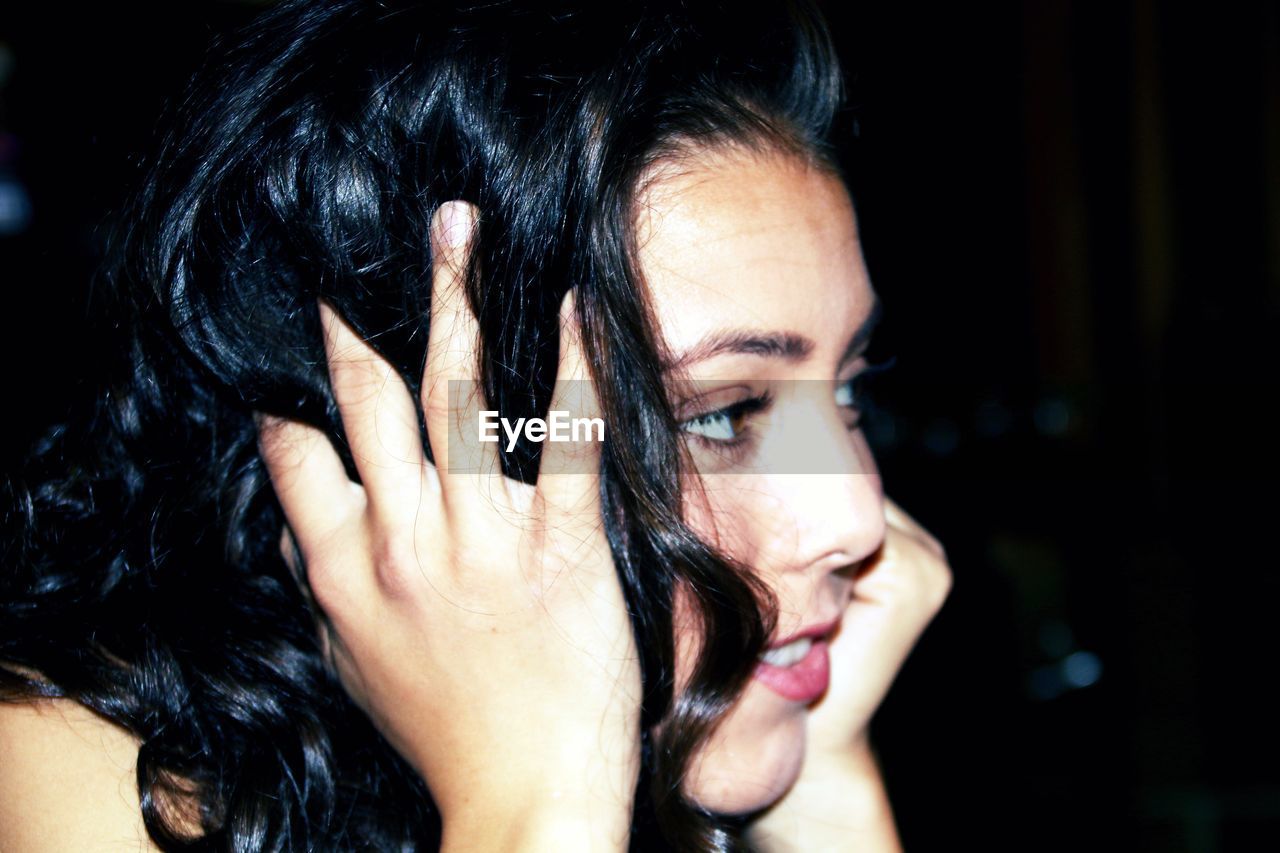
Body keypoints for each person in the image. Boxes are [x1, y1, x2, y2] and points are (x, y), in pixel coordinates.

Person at [0, 1, 951, 850]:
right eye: (723, 413)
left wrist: (823, 798)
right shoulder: (64, 769)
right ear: (401, 436)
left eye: (849, 394)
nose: (857, 521)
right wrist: (538, 796)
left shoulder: (720, 763)